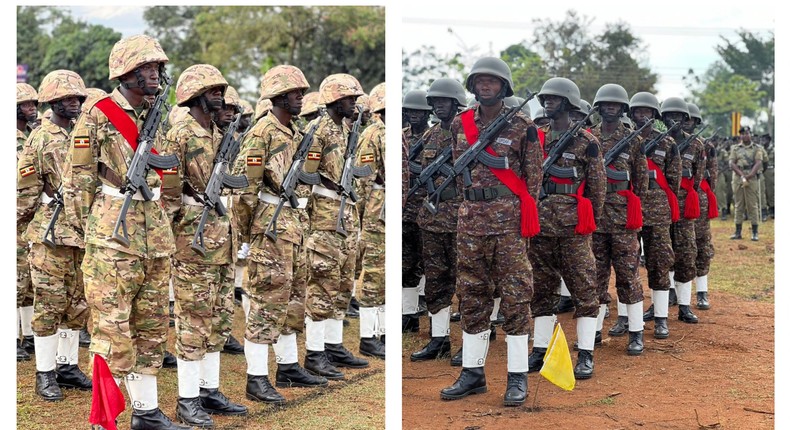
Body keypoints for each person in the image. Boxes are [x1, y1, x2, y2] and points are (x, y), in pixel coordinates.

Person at [59, 34, 189, 429]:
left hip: (154, 235)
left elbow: (168, 172)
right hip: (113, 234)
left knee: (151, 327)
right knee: (112, 329)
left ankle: (146, 411)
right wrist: (94, 231)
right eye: (147, 68)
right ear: (127, 73)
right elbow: (77, 180)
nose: (155, 74)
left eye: (157, 68)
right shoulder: (98, 113)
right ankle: (105, 420)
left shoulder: (156, 113)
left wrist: (166, 210)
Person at [439, 57, 542, 407]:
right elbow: (457, 169)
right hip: (470, 221)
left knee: (515, 295)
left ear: (503, 86)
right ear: (472, 85)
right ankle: (472, 372)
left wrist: (519, 214)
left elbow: (533, 179)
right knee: (470, 293)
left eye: (492, 81)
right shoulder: (459, 124)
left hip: (508, 222)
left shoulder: (522, 126)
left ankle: (516, 375)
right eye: (480, 81)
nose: (485, 86)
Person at [231, 65, 329, 404]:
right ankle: (255, 378)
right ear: (277, 96)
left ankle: (287, 366)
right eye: (295, 93)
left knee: (291, 299)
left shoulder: (296, 132)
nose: (301, 97)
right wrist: (245, 233)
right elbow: (245, 187)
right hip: (270, 228)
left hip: (294, 225)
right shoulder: (262, 133)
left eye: (303, 92)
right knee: (266, 301)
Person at [160, 64, 248, 426]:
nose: (221, 96)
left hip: (221, 238)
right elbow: (168, 196)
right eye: (213, 90)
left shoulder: (216, 131)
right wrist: (172, 240)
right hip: (192, 241)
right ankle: (187, 399)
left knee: (218, 318)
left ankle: (209, 390)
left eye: (221, 90)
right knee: (193, 320)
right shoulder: (179, 134)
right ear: (194, 95)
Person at [17, 70, 93, 400]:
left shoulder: (85, 133)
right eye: (67, 98)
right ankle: (44, 373)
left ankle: (67, 366)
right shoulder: (38, 139)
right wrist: (21, 229)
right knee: (49, 306)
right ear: (52, 102)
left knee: (77, 305)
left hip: (82, 232)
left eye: (77, 96)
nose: (74, 101)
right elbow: (25, 191)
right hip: (50, 234)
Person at [528, 77, 605, 380]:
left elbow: (598, 189)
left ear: (569, 103)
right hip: (541, 228)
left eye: (555, 98)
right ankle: (540, 350)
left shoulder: (587, 141)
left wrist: (588, 223)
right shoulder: (537, 137)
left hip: (573, 229)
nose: (549, 102)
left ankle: (585, 354)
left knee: (585, 290)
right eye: (546, 98)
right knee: (541, 291)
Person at [301, 73, 369, 379]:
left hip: (346, 213)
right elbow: (305, 174)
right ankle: (315, 354)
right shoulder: (317, 130)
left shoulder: (345, 129)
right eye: (349, 99)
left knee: (343, 283)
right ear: (333, 100)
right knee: (322, 286)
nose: (354, 103)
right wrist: (334, 183)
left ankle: (333, 345)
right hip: (326, 215)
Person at [588, 84, 648, 355]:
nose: (610, 107)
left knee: (629, 276)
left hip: (623, 217)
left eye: (615, 104)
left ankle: (636, 333)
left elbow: (641, 180)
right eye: (605, 104)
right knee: (596, 276)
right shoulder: (589, 137)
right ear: (598, 107)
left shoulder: (634, 139)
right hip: (596, 218)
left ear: (623, 108)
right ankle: (595, 331)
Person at [410, 78, 466, 363]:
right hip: (431, 219)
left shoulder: (469, 134)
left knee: (467, 283)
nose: (438, 105)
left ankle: (471, 340)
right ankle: (439, 338)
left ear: (457, 103)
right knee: (436, 282)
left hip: (460, 220)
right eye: (435, 101)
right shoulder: (429, 137)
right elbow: (415, 172)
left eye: (444, 100)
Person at [629, 92, 680, 339]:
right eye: (638, 112)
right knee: (627, 265)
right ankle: (626, 318)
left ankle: (661, 317)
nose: (642, 116)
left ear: (654, 115)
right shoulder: (626, 140)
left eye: (647, 112)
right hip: (629, 210)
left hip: (658, 212)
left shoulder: (667, 143)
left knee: (659, 262)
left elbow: (674, 179)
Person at [661, 97, 704, 324]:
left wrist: (685, 196)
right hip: (661, 205)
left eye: (678, 116)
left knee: (687, 253)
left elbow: (698, 177)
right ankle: (664, 298)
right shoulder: (658, 142)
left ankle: (685, 306)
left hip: (685, 202)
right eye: (669, 116)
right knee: (661, 252)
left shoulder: (696, 145)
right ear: (663, 118)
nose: (674, 120)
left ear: (685, 119)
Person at [355, 82, 387, 358]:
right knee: (374, 273)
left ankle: (383, 331)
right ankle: (369, 335)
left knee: (386, 273)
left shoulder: (390, 132)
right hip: (377, 210)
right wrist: (363, 215)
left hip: (386, 205)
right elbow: (364, 179)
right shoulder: (372, 134)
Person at [402, 89, 432, 332]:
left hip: (429, 210)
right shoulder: (401, 137)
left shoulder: (434, 137)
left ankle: (436, 322)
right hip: (405, 211)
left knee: (431, 266)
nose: (414, 115)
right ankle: (408, 315)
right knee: (406, 266)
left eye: (419, 112)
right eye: (410, 111)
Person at [686, 103, 717, 311]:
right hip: (676, 198)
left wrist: (700, 195)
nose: (686, 123)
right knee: (678, 246)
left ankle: (702, 291)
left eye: (689, 119)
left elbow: (712, 175)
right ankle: (673, 290)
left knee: (701, 244)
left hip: (698, 197)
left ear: (696, 122)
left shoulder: (705, 146)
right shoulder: (670, 143)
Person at [16, 82, 39, 362]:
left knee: (30, 283)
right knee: (15, 281)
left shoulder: (32, 135)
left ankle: (30, 335)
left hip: (31, 216)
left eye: (34, 103)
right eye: (26, 104)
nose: (32, 108)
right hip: (16, 214)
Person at [729, 126, 763, 241]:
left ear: (750, 134)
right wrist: (742, 175)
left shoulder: (756, 148)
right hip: (738, 177)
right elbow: (732, 163)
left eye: (747, 133)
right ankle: (738, 232)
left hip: (751, 178)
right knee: (738, 205)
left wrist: (749, 175)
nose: (745, 135)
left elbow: (758, 163)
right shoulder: (735, 148)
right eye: (742, 133)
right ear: (740, 135)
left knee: (752, 205)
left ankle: (755, 232)